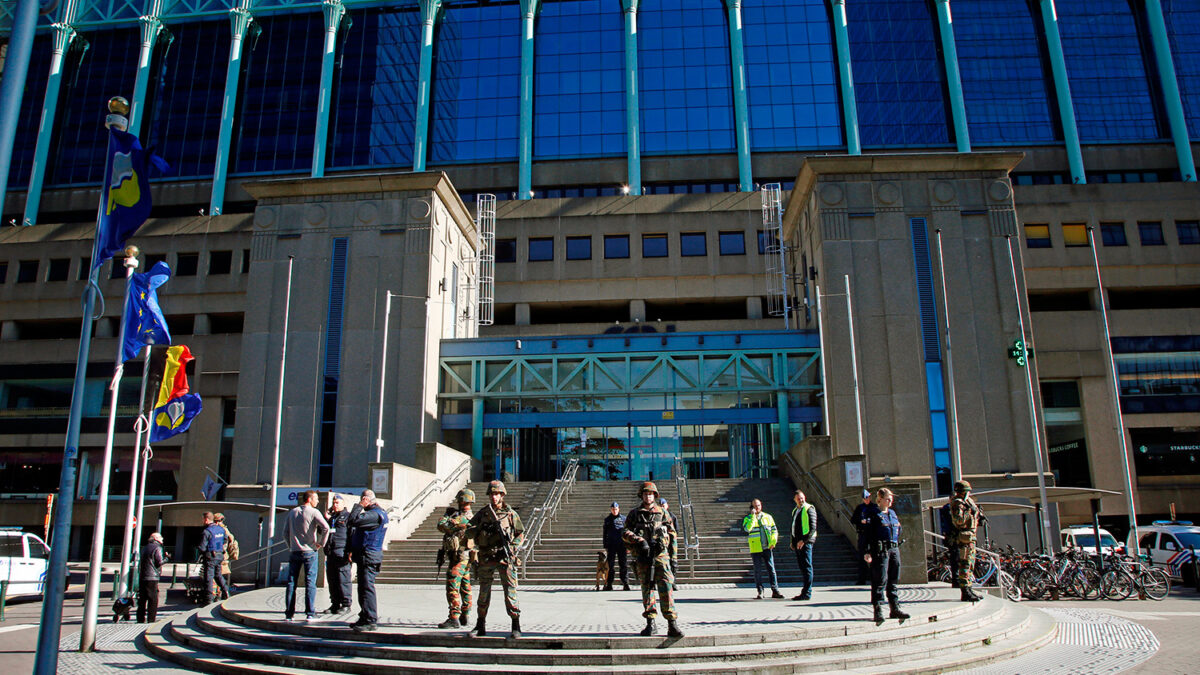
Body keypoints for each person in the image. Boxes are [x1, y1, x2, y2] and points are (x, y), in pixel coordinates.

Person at [623, 482, 683, 637]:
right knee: (647, 589)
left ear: (655, 496)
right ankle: (651, 622)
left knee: (666, 589)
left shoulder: (663, 513)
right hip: (643, 557)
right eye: (645, 494)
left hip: (661, 557)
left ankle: (672, 623)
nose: (648, 496)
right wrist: (639, 540)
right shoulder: (635, 514)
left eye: (650, 494)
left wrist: (674, 558)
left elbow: (673, 535)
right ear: (641, 496)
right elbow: (624, 532)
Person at [466, 480, 524, 638]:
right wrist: (480, 529)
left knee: (510, 591)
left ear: (502, 495)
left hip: (504, 556)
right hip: (486, 557)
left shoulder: (510, 513)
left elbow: (520, 533)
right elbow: (469, 531)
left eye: (497, 494)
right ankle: (480, 625)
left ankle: (515, 625)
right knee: (484, 592)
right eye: (492, 494)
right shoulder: (483, 513)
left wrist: (513, 547)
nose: (494, 497)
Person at [863, 488, 910, 625]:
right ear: (880, 499)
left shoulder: (893, 513)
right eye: (887, 498)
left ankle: (894, 608)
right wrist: (867, 551)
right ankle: (878, 610)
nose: (890, 501)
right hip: (880, 551)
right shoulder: (873, 514)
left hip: (894, 549)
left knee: (893, 579)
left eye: (891, 499)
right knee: (879, 580)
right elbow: (867, 534)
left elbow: (898, 529)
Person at [283, 490, 330, 622]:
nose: (318, 501)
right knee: (310, 581)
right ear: (309, 499)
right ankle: (310, 612)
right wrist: (321, 543)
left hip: (295, 551)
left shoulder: (293, 512)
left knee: (292, 581)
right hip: (309, 550)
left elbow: (285, 532)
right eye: (316, 499)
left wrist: (291, 545)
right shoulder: (314, 512)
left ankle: (289, 613)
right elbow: (326, 527)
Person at [348, 489, 388, 631]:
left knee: (367, 587)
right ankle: (364, 616)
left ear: (366, 499)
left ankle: (370, 619)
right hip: (368, 554)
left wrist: (359, 506)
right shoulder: (380, 513)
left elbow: (352, 520)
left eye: (363, 499)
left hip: (369, 555)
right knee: (363, 587)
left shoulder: (373, 515)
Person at [437, 488, 476, 628]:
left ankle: (454, 617)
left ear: (460, 500)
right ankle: (465, 614)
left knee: (453, 585)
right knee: (465, 586)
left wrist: (446, 516)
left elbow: (441, 525)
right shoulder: (469, 516)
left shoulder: (462, 518)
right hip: (465, 557)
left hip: (459, 557)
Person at [949, 480, 984, 603]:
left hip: (970, 537)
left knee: (970, 564)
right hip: (964, 538)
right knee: (964, 564)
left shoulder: (967, 502)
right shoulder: (957, 503)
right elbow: (958, 520)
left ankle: (968, 588)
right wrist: (970, 514)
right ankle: (965, 590)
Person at [742, 499, 783, 599]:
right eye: (755, 506)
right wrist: (753, 517)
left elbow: (774, 530)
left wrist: (773, 542)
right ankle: (760, 591)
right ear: (751, 508)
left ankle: (775, 590)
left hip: (767, 547)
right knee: (758, 571)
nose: (757, 507)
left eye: (758, 505)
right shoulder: (747, 518)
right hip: (756, 548)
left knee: (771, 569)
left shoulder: (768, 517)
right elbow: (747, 529)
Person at [324, 494, 353, 614]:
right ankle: (335, 603)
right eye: (333, 502)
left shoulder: (347, 517)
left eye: (337, 503)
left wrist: (350, 552)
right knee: (332, 579)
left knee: (343, 579)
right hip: (331, 552)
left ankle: (346, 604)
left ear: (343, 504)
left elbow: (352, 535)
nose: (335, 505)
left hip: (342, 553)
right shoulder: (332, 518)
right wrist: (327, 518)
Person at [790, 491, 818, 601]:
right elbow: (793, 527)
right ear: (795, 499)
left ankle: (807, 592)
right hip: (798, 543)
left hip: (805, 543)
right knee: (802, 567)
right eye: (798, 499)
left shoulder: (809, 508)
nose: (801, 500)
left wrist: (803, 541)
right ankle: (805, 590)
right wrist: (793, 541)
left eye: (802, 498)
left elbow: (812, 527)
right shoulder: (795, 510)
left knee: (807, 567)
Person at [199, 511, 231, 605]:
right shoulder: (221, 530)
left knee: (209, 577)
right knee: (218, 575)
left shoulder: (207, 531)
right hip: (219, 555)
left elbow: (202, 547)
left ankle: (208, 599)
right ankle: (226, 591)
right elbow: (225, 540)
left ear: (206, 519)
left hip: (210, 556)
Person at [137, 532, 165, 623]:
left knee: (142, 599)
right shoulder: (157, 548)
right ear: (156, 538)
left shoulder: (145, 548)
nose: (162, 539)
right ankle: (151, 619)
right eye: (160, 537)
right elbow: (159, 562)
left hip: (143, 576)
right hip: (152, 577)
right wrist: (167, 558)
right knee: (153, 599)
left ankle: (140, 619)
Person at [602, 501, 630, 591]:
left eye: (616, 509)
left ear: (619, 509)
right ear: (611, 510)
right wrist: (605, 545)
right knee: (610, 565)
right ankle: (609, 583)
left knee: (623, 565)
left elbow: (627, 532)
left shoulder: (624, 519)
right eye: (613, 509)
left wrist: (628, 545)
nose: (615, 511)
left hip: (622, 545)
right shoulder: (607, 520)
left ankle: (625, 583)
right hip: (611, 545)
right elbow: (604, 533)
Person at [850, 489, 876, 585]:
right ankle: (862, 578)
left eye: (867, 498)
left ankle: (874, 577)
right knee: (862, 556)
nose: (866, 500)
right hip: (863, 533)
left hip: (872, 534)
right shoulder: (860, 508)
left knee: (874, 555)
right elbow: (853, 519)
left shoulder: (874, 507)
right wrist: (860, 521)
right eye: (865, 498)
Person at [213, 512, 237, 599]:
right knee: (218, 575)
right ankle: (221, 592)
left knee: (217, 575)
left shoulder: (221, 529)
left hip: (220, 555)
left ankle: (219, 593)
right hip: (222, 555)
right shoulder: (224, 529)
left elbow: (229, 539)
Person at [658, 498, 679, 577]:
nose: (662, 507)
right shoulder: (657, 516)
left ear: (667, 506)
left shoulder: (672, 516)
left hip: (670, 542)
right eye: (661, 506)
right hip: (660, 542)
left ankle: (673, 580)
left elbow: (676, 530)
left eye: (663, 506)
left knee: (673, 562)